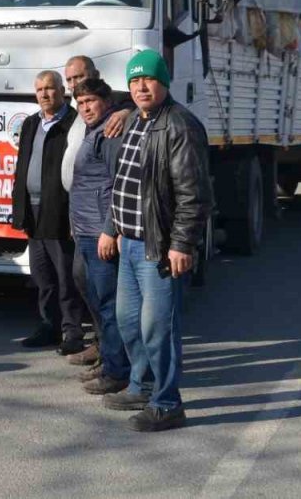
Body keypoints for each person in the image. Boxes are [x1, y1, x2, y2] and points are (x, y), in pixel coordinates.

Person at [100, 49, 213, 431]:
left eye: (148, 79)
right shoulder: (134, 119)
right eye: (133, 80)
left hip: (158, 247)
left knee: (157, 327)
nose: (140, 86)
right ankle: (141, 384)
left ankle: (167, 404)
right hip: (129, 241)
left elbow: (193, 193)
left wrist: (182, 244)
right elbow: (123, 183)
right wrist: (112, 226)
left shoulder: (180, 125)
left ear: (164, 82)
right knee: (128, 322)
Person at [60, 55, 133, 368]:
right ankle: (106, 353)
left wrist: (110, 229)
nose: (84, 105)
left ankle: (116, 367)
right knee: (91, 290)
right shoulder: (84, 123)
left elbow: (119, 186)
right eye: (79, 99)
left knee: (109, 301)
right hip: (84, 226)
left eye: (90, 99)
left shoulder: (112, 127)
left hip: (101, 230)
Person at [10, 70, 83, 354]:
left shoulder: (73, 122)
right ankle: (48, 326)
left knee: (65, 276)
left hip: (59, 210)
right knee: (43, 276)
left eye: (50, 88)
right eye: (39, 89)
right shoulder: (30, 123)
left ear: (62, 90)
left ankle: (72, 332)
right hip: (33, 211)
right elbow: (22, 165)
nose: (44, 94)